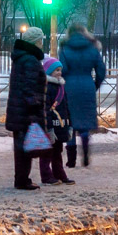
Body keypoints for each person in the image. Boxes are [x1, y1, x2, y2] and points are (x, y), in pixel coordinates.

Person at [59, 19, 107, 168]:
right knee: (85, 124)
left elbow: (63, 70)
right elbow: (101, 70)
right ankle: (85, 154)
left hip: (69, 87)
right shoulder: (92, 48)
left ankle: (71, 160)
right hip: (87, 86)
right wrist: (94, 85)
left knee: (70, 123)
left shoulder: (65, 48)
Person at [6, 26, 47, 190]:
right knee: (25, 147)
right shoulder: (30, 60)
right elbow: (30, 87)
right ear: (36, 41)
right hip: (26, 110)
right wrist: (34, 109)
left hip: (18, 109)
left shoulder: (21, 58)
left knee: (21, 145)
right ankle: (22, 180)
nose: (42, 43)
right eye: (41, 40)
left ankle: (21, 178)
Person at [39, 56, 73, 185]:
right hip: (50, 125)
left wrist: (69, 124)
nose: (59, 72)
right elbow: (45, 108)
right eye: (56, 70)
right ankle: (46, 176)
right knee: (47, 152)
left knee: (58, 151)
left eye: (60, 70)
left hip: (61, 124)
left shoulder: (61, 87)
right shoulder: (47, 87)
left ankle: (59, 173)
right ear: (48, 71)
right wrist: (48, 128)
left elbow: (66, 107)